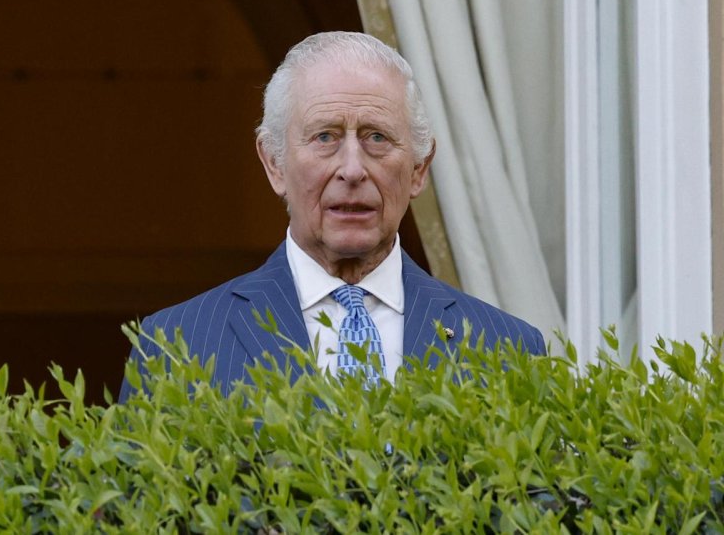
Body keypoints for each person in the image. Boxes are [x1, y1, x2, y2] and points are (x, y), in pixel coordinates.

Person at [120, 32, 544, 400]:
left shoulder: (507, 349)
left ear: (418, 169)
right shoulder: (175, 347)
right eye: (325, 137)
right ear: (274, 163)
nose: (353, 169)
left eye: (376, 137)